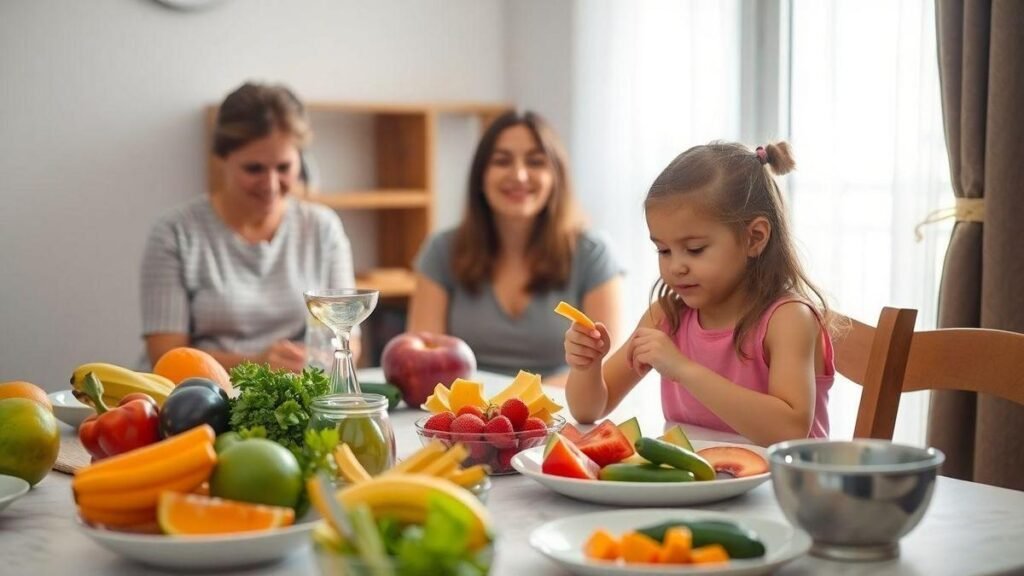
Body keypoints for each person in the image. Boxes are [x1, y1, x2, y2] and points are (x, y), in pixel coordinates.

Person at [564, 141, 835, 446]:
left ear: (754, 238)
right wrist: (586, 366)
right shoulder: (666, 316)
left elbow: (790, 430)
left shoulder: (788, 319)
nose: (676, 266)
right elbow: (590, 410)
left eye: (694, 249)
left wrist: (682, 369)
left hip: (777, 491)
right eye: (663, 250)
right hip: (696, 486)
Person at [140, 82, 357, 373]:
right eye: (253, 169)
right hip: (198, 394)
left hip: (292, 396)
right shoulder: (175, 233)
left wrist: (319, 360)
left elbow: (349, 342)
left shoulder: (323, 229)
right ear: (222, 159)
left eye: (284, 168)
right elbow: (164, 355)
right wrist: (257, 365)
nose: (270, 185)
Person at [407, 110, 624, 385]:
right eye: (502, 161)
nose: (519, 175)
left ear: (556, 176)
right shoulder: (441, 250)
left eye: (535, 162)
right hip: (466, 415)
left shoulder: (593, 254)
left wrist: (519, 403)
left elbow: (607, 365)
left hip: (559, 410)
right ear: (481, 177)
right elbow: (425, 364)